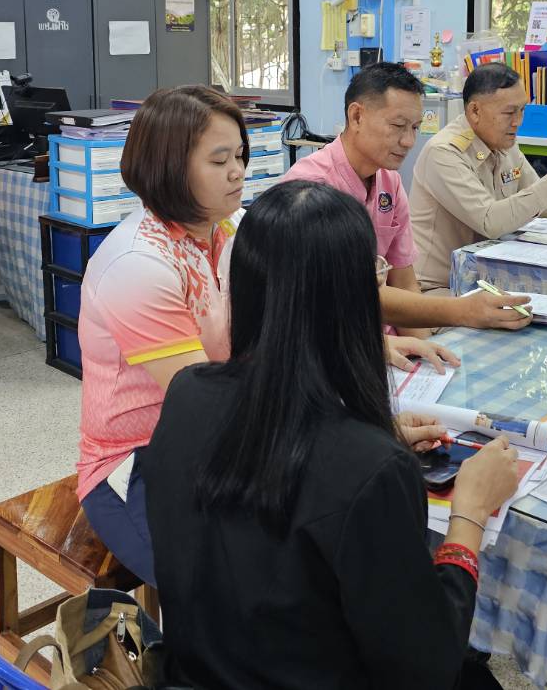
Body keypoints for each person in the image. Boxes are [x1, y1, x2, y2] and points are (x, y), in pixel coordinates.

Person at [146, 180, 522, 690]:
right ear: (355, 302)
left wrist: (375, 436)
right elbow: (427, 665)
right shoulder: (370, 468)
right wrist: (469, 515)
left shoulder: (189, 393)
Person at [74, 85, 248, 587]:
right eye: (219, 161)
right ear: (170, 167)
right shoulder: (140, 263)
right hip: (138, 458)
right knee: (214, 589)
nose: (238, 171)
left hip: (221, 436)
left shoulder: (230, 228)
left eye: (239, 155)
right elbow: (200, 401)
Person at [283, 62, 533, 330]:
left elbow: (405, 283)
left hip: (383, 334)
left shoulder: (389, 181)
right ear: (357, 117)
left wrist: (428, 356)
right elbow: (335, 298)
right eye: (398, 125)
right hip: (329, 340)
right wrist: (460, 312)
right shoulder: (310, 188)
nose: (408, 142)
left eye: (414, 128)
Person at [410, 62, 547, 291]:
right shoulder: (445, 152)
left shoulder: (503, 143)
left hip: (487, 281)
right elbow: (490, 221)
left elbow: (540, 203)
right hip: (439, 288)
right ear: (475, 111)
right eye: (509, 112)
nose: (518, 121)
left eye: (522, 110)